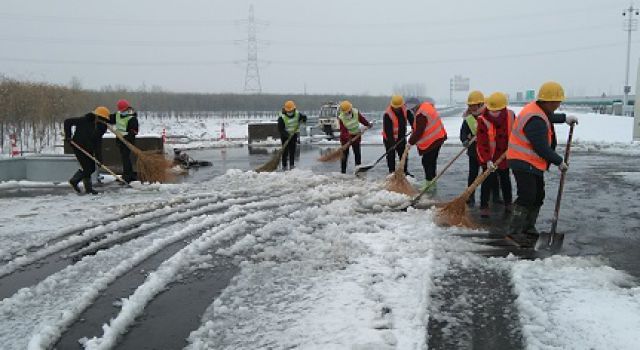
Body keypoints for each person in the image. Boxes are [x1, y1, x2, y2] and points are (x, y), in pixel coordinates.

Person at [505, 81, 578, 246]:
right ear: (549, 101)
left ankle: (528, 228)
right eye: (558, 101)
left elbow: (549, 117)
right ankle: (514, 231)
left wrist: (565, 118)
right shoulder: (536, 119)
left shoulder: (538, 110)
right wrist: (559, 161)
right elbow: (541, 147)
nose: (559, 104)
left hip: (531, 162)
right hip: (523, 161)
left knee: (538, 196)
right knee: (527, 195)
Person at [476, 92, 515, 218]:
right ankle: (484, 206)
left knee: (505, 179)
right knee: (487, 181)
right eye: (492, 110)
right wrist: (487, 160)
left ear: (503, 108)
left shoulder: (511, 115)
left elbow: (517, 132)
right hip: (489, 157)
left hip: (505, 154)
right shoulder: (482, 119)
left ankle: (508, 203)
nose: (494, 113)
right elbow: (482, 143)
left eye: (497, 110)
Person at [64, 106, 110, 195]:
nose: (103, 120)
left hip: (89, 148)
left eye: (104, 119)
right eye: (101, 118)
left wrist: (99, 159)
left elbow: (98, 143)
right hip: (78, 146)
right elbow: (67, 122)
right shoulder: (84, 120)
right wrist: (68, 136)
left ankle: (86, 187)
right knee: (87, 168)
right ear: (96, 116)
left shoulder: (101, 127)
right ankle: (76, 182)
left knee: (91, 168)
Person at [406, 97, 447, 189]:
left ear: (415, 107)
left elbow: (419, 131)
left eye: (412, 109)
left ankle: (429, 183)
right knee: (432, 161)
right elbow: (421, 126)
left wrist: (410, 142)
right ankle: (432, 181)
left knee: (427, 162)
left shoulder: (421, 114)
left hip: (433, 140)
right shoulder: (426, 106)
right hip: (439, 136)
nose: (411, 111)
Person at [460, 90, 484, 206]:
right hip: (473, 151)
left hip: (486, 152)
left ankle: (493, 196)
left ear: (480, 104)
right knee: (473, 174)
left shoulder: (487, 116)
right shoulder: (468, 120)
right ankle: (470, 195)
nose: (472, 108)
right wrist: (465, 140)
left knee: (490, 176)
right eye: (470, 106)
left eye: (474, 106)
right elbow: (463, 133)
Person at [382, 95, 414, 176]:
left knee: (403, 155)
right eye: (395, 107)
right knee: (391, 155)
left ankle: (404, 171)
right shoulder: (387, 114)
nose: (397, 109)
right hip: (389, 139)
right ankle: (392, 172)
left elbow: (412, 120)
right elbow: (388, 131)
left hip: (401, 137)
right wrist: (392, 144)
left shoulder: (405, 110)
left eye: (399, 107)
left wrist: (414, 127)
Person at [338, 100, 371, 174]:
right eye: (346, 111)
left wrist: (367, 124)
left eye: (349, 110)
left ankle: (358, 170)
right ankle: (343, 172)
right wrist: (349, 139)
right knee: (345, 155)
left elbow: (361, 119)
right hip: (345, 138)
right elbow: (343, 131)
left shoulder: (355, 112)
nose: (348, 112)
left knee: (357, 153)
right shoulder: (341, 118)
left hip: (356, 135)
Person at [112, 99, 139, 183]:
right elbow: (109, 118)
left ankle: (127, 175)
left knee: (125, 158)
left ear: (128, 108)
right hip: (120, 141)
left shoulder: (132, 118)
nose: (122, 111)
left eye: (123, 110)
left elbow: (134, 131)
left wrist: (126, 137)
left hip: (128, 141)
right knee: (125, 158)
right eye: (121, 110)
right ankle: (129, 174)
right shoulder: (117, 115)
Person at [277, 100, 307, 170]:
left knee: (292, 150)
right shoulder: (282, 118)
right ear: (285, 110)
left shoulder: (297, 114)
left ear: (294, 109)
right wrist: (286, 135)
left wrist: (304, 118)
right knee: (285, 151)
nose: (290, 112)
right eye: (288, 111)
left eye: (291, 111)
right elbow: (280, 129)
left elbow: (303, 118)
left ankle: (291, 165)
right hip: (285, 135)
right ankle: (284, 165)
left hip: (293, 134)